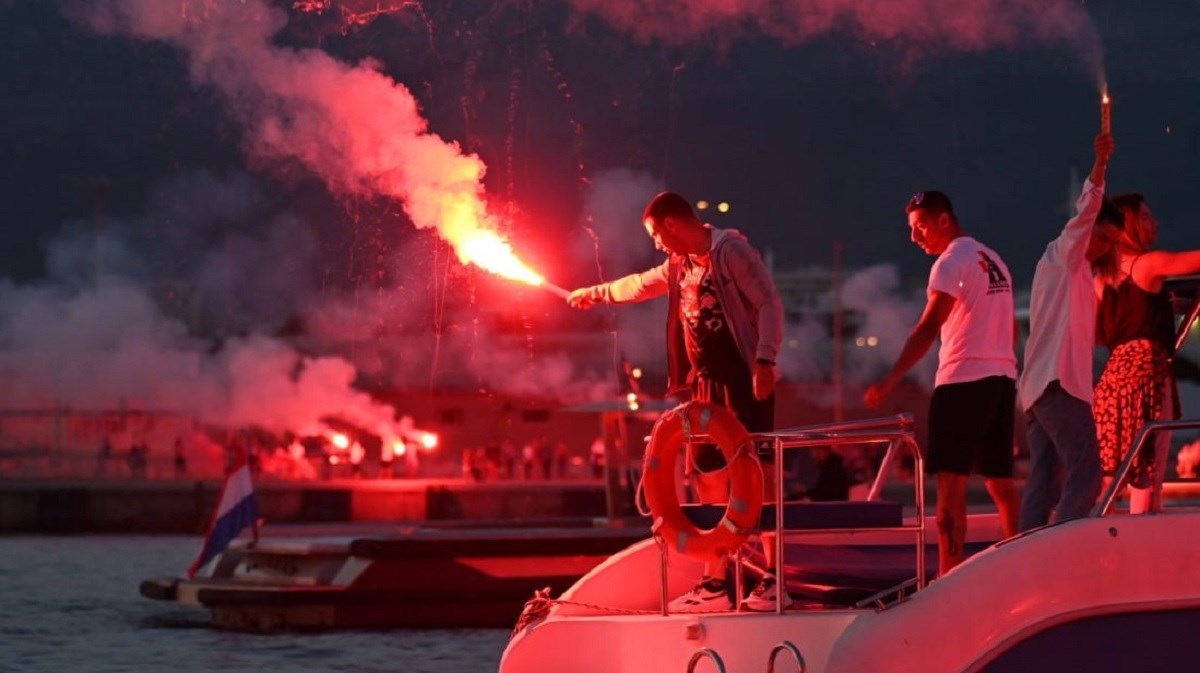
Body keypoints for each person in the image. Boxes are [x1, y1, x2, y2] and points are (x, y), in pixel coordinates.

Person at [567, 190, 785, 612]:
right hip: (702, 384)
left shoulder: (732, 251)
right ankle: (715, 583)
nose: (657, 244)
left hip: (743, 378)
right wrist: (596, 292)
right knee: (708, 479)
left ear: (671, 224)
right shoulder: (677, 266)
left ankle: (775, 577)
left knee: (761, 475)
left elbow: (769, 303)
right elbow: (639, 284)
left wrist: (765, 360)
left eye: (655, 234)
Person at [865, 190, 1019, 576]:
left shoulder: (951, 263)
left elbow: (929, 325)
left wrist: (890, 379)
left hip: (963, 382)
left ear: (944, 221)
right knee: (1001, 484)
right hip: (1001, 381)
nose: (915, 238)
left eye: (920, 228)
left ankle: (949, 575)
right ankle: (1019, 563)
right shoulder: (993, 259)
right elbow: (1011, 328)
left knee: (949, 491)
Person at [1017, 133, 1119, 531]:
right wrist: (1101, 163)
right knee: (1087, 473)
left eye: (1111, 243)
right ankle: (1064, 549)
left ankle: (1025, 558)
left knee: (1043, 484)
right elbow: (1088, 208)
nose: (1103, 246)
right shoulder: (1064, 254)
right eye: (1102, 236)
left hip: (1040, 389)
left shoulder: (1072, 271)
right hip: (1059, 386)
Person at [1093, 193, 1200, 513]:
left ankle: (1094, 542)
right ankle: (1143, 542)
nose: (1155, 224)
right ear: (1131, 225)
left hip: (1111, 381)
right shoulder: (1148, 265)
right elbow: (1193, 260)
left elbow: (1098, 334)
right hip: (1147, 375)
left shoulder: (1100, 278)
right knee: (1146, 473)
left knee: (1110, 474)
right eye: (1148, 217)